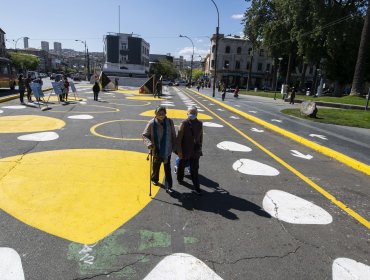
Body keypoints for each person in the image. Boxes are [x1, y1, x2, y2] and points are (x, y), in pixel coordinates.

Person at [142, 106, 176, 193]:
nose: (161, 115)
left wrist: (175, 146)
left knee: (167, 168)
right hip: (156, 149)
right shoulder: (151, 123)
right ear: (155, 114)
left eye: (163, 113)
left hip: (167, 149)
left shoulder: (170, 122)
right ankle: (154, 178)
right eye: (159, 113)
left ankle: (168, 185)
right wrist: (149, 144)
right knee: (156, 166)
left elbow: (173, 134)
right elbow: (145, 135)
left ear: (165, 113)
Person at [175, 106, 203, 195]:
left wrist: (200, 148)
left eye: (194, 113)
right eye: (191, 113)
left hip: (194, 151)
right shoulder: (184, 123)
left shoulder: (199, 123)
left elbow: (201, 137)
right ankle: (180, 179)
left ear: (197, 114)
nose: (192, 115)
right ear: (187, 113)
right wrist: (179, 151)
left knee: (194, 169)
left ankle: (196, 187)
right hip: (185, 150)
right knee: (181, 166)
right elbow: (179, 138)